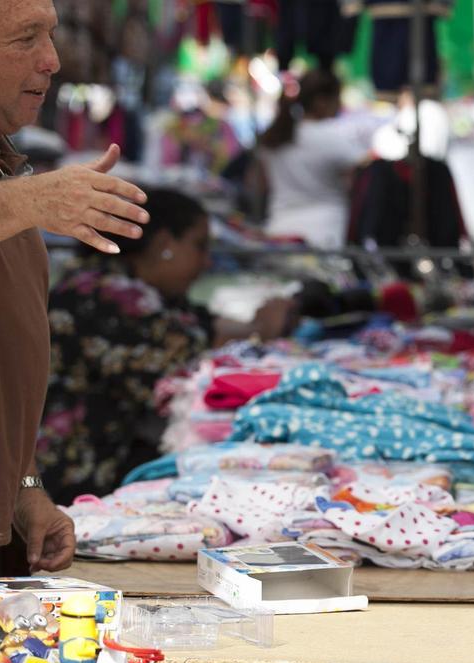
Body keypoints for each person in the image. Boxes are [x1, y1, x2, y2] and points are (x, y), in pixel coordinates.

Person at [0, 0, 150, 575]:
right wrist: (34, 198)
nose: (52, 60)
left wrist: (27, 489)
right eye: (26, 39)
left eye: (52, 36)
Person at [38, 188, 294, 505]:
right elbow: (195, 341)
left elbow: (202, 325)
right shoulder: (111, 298)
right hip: (73, 478)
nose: (206, 261)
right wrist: (262, 326)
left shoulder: (109, 284)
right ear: (163, 245)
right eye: (199, 246)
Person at [255, 69, 380, 248]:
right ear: (322, 101)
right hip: (325, 235)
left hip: (278, 232)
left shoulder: (275, 136)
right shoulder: (332, 136)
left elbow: (258, 182)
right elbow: (366, 165)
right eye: (337, 98)